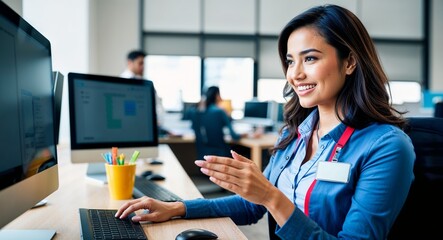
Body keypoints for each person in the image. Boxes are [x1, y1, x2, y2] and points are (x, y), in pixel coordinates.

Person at [115, 4, 415, 239]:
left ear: (349, 61)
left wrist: (271, 196)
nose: (294, 74)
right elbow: (251, 204)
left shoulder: (386, 146)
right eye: (290, 60)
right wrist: (177, 208)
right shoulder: (296, 133)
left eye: (309, 59)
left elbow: (268, 200)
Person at [188, 86, 261, 159]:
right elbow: (234, 136)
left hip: (202, 155)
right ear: (217, 96)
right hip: (221, 155)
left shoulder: (194, 112)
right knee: (246, 151)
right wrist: (247, 134)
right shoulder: (220, 111)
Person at [120, 50, 170, 136]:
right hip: (126, 129)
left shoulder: (146, 83)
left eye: (143, 64)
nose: (143, 67)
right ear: (129, 63)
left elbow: (157, 105)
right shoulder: (119, 83)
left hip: (145, 129)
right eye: (140, 63)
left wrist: (157, 122)